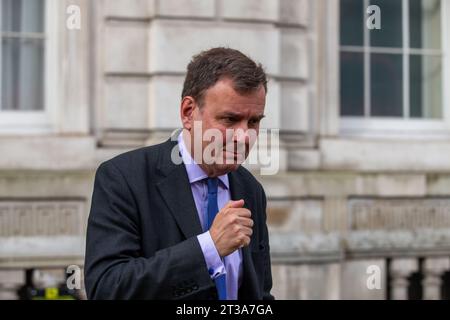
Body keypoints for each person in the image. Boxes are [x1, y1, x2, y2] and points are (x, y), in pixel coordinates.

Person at [84, 47, 274, 300]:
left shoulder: (250, 189)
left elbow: (259, 294)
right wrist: (209, 248)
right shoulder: (124, 178)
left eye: (253, 122)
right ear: (188, 113)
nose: (243, 136)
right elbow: (107, 288)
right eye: (229, 119)